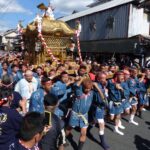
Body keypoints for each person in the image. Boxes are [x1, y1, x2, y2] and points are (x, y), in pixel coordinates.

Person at [91, 72, 110, 150]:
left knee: (93, 121)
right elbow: (103, 98)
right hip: (97, 107)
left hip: (101, 107)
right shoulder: (96, 86)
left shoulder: (102, 84)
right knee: (102, 124)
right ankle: (103, 142)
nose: (105, 80)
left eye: (105, 78)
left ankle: (90, 125)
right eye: (103, 78)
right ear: (98, 79)